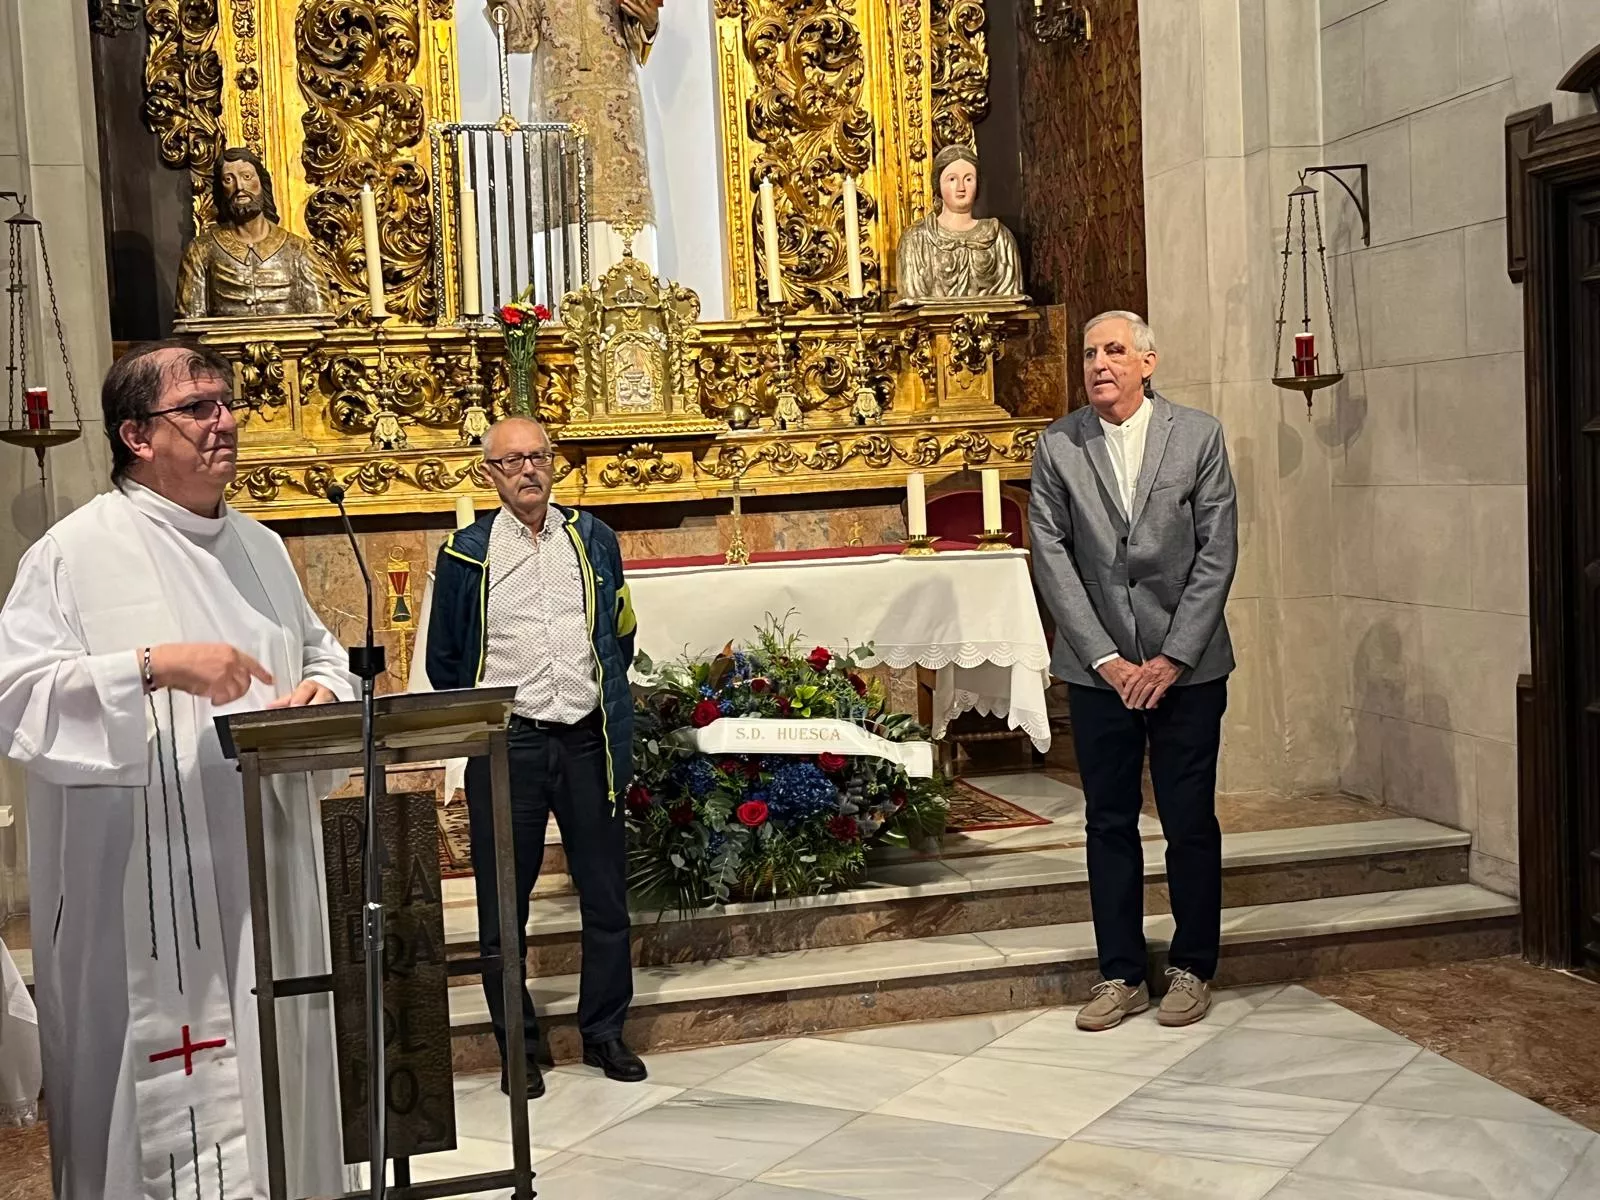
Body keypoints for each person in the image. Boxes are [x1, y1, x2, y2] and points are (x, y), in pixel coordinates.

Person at [0, 342, 356, 1197]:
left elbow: (323, 652)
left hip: (264, 875)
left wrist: (323, 690)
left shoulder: (261, 547)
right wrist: (154, 666)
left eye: (226, 403)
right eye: (197, 407)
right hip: (141, 892)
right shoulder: (73, 553)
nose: (223, 421)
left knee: (276, 1080)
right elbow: (19, 696)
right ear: (136, 435)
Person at [1028, 311, 1238, 1032]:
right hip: (1100, 673)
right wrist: (1107, 659)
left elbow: (1217, 551)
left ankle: (1192, 966)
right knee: (1108, 822)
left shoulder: (1198, 435)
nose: (1099, 364)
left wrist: (1173, 656)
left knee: (1189, 820)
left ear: (1147, 362)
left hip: (1189, 669)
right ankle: (1120, 973)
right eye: (1090, 353)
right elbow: (1051, 555)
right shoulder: (1058, 444)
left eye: (1114, 351)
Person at [426, 416, 643, 1097]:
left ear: (554, 464)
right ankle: (517, 1047)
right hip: (510, 742)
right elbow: (444, 661)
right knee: (503, 905)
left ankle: (604, 1031)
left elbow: (621, 632)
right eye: (513, 460)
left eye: (539, 457)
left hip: (586, 737)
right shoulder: (466, 555)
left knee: (605, 896)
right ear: (488, 473)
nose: (528, 470)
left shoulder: (593, 537)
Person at [499, 0, 665, 276]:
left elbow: (638, 34)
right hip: (561, 116)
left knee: (625, 241)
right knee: (569, 246)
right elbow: (519, 33)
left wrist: (649, 23)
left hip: (618, 124)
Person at [175, 146, 332, 319]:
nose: (239, 186)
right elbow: (190, 322)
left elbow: (322, 320)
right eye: (228, 179)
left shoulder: (298, 250)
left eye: (247, 176)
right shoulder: (201, 250)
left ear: (262, 182)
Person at [896, 143, 1025, 302]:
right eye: (952, 179)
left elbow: (1012, 299)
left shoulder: (1000, 238)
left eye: (968, 179)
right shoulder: (916, 240)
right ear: (938, 184)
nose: (961, 187)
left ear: (978, 184)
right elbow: (913, 299)